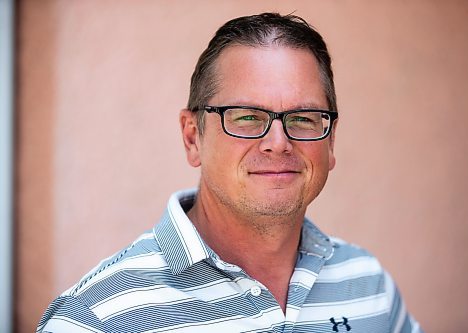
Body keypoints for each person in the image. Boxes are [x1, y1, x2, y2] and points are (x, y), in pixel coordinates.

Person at [37, 13, 423, 332]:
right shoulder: (94, 318)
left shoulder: (371, 288)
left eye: (303, 118)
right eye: (247, 117)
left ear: (331, 142)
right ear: (193, 139)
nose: (278, 142)